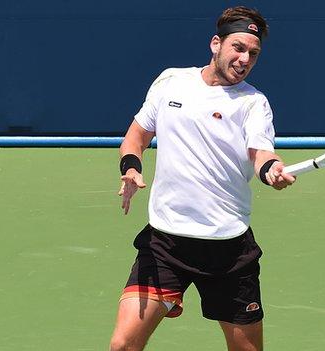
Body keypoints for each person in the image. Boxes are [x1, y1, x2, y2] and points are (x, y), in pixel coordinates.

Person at [109, 6, 295, 351]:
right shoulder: (170, 82)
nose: (245, 59)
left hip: (228, 250)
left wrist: (271, 171)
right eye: (238, 48)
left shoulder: (254, 103)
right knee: (122, 346)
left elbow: (261, 154)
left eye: (253, 54)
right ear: (216, 44)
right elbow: (136, 136)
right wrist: (131, 167)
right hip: (165, 243)